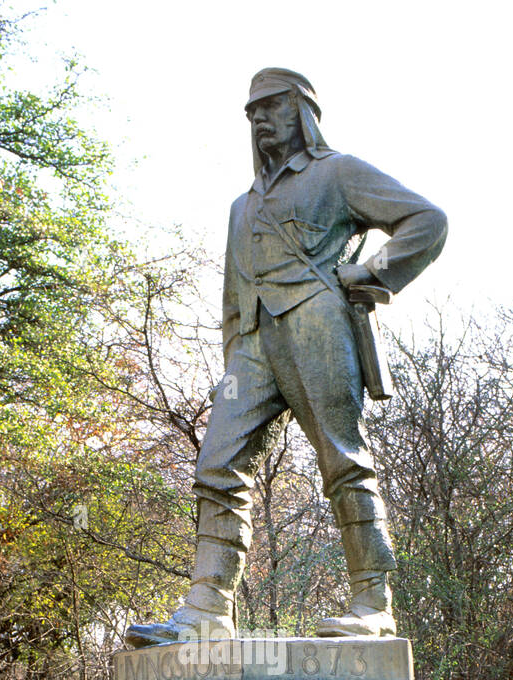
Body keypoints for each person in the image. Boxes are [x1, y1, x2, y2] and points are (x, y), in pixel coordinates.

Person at [125, 67, 447, 647]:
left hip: (316, 324)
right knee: (216, 463)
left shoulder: (340, 173)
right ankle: (207, 610)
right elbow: (231, 294)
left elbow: (426, 220)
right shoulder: (240, 207)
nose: (260, 119)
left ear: (301, 109)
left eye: (271, 107)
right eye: (252, 112)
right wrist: (231, 359)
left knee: (342, 459)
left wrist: (372, 272)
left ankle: (374, 604)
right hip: (250, 345)